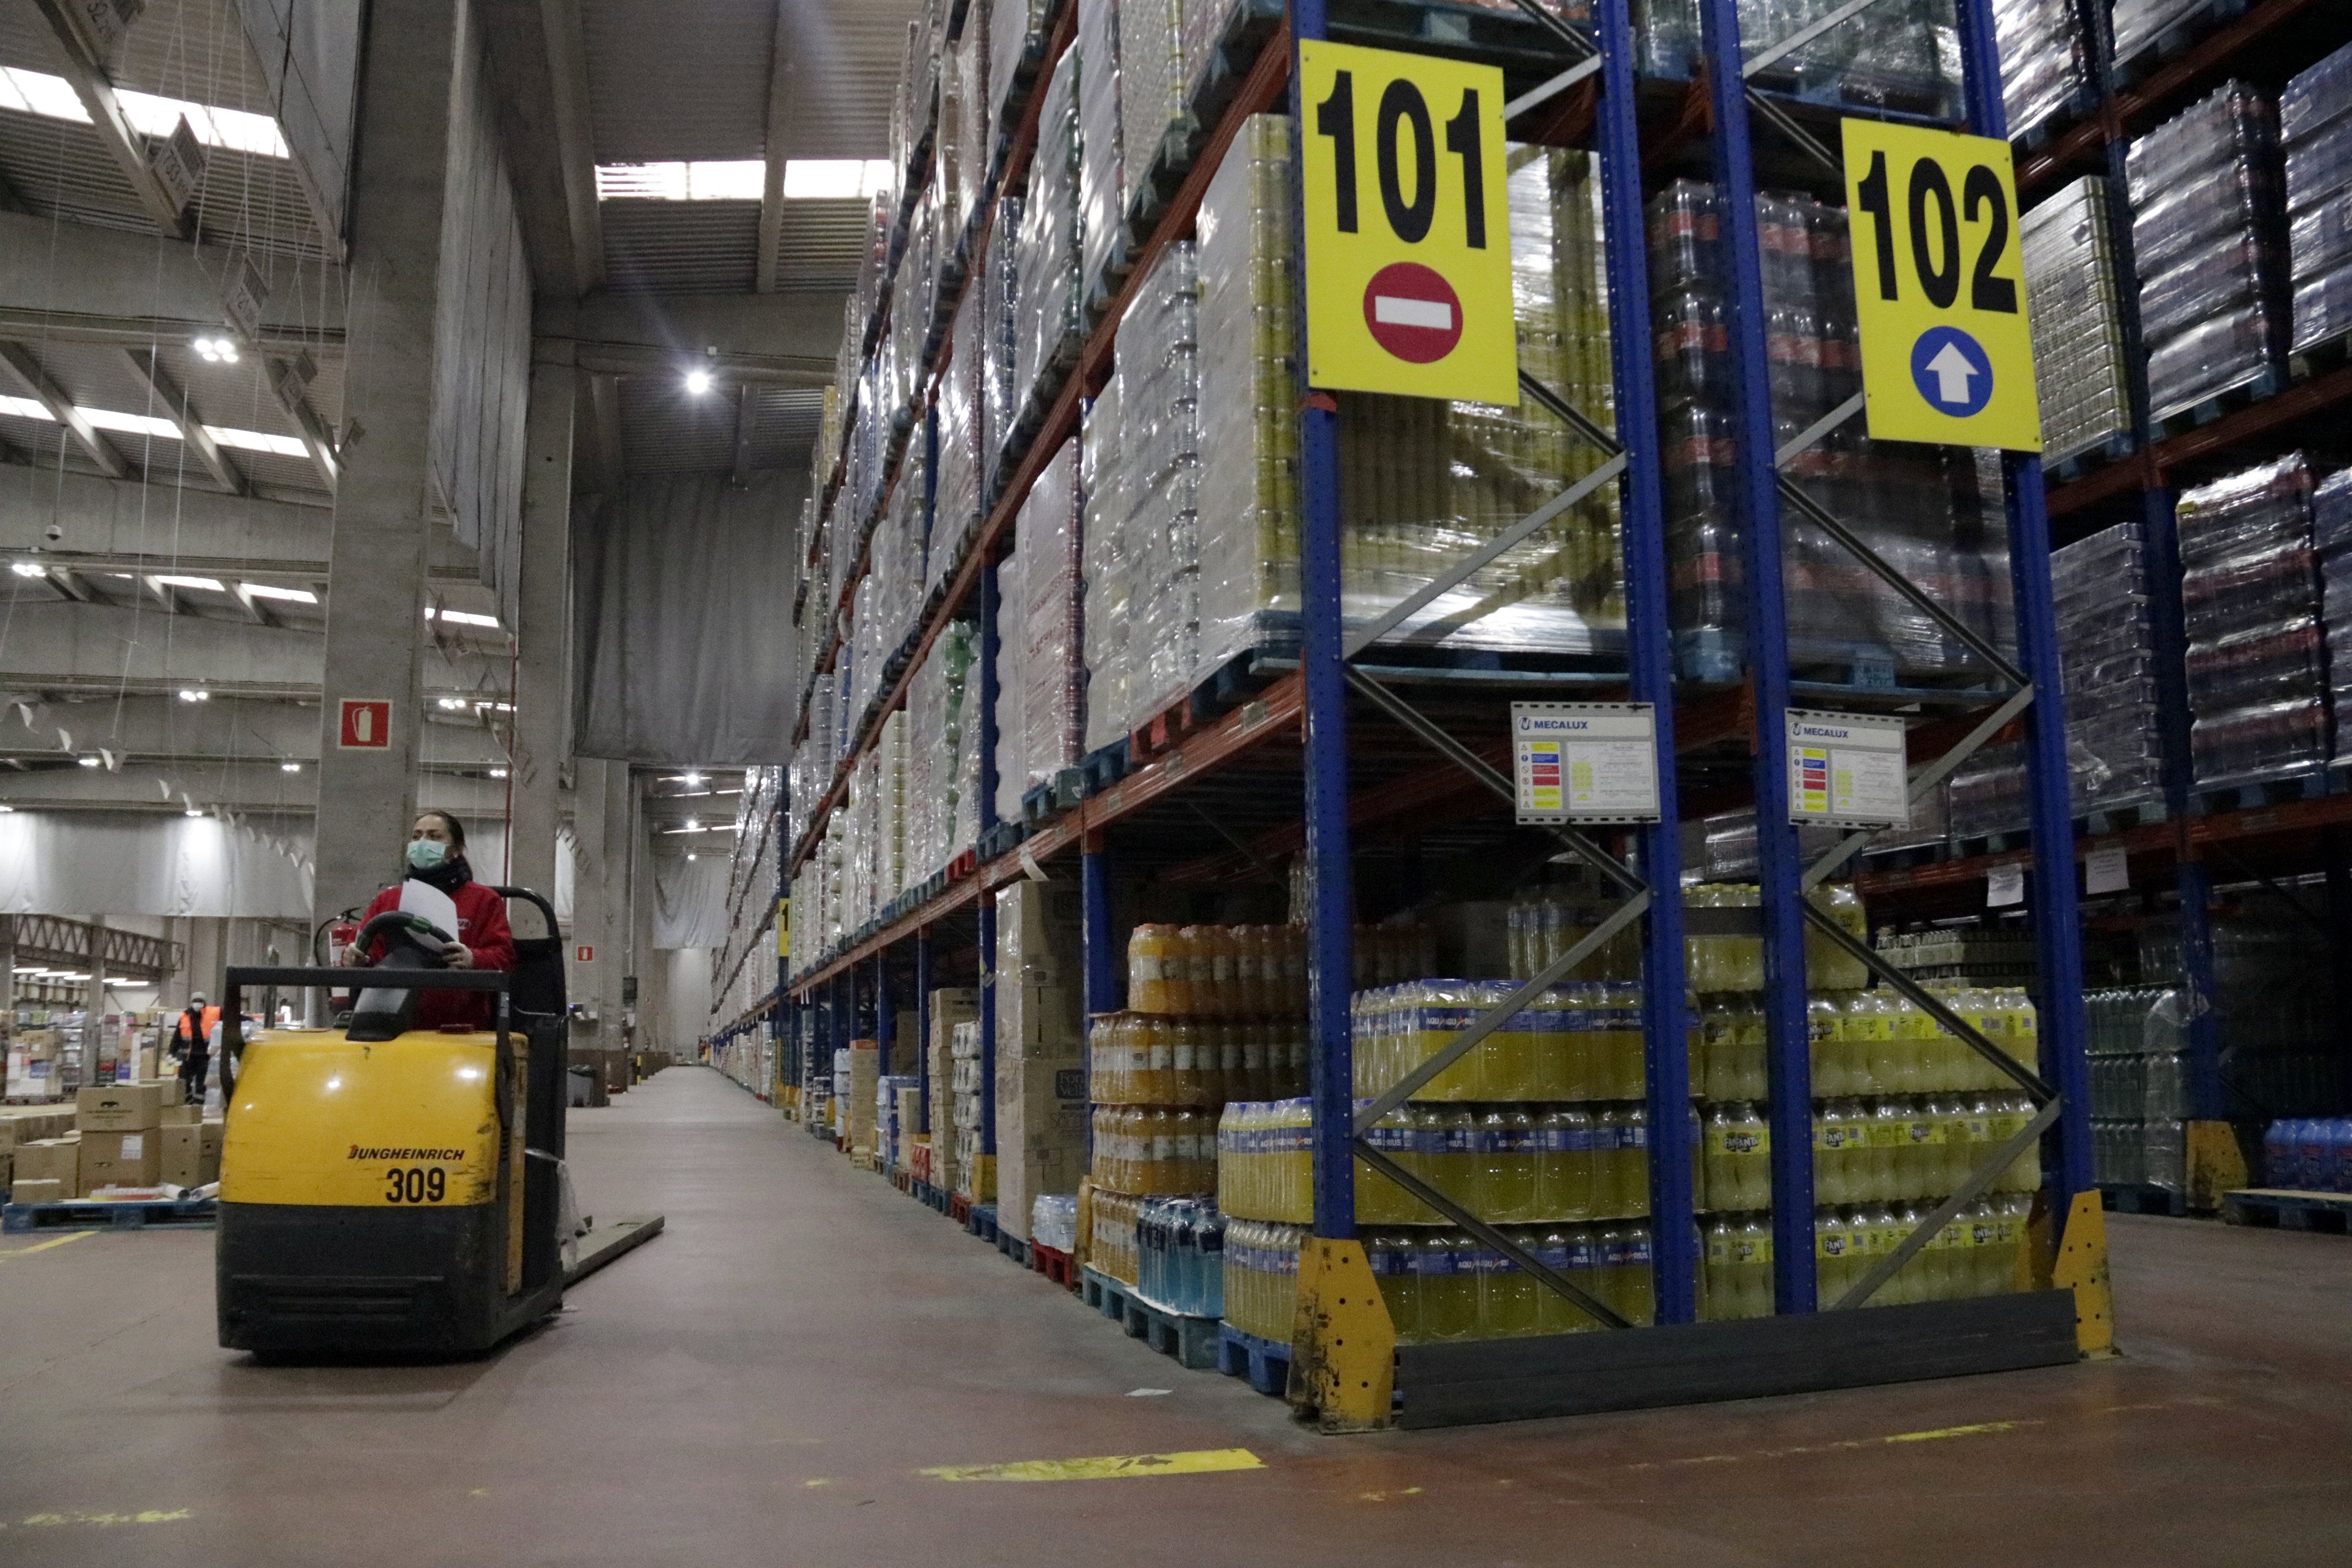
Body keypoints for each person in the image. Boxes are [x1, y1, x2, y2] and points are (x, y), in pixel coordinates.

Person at [340, 810, 516, 1030]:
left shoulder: (483, 900)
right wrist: (354, 956)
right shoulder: (388, 900)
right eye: (417, 837)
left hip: (459, 1027)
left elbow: (504, 958)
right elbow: (363, 948)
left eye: (434, 837)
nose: (423, 843)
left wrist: (473, 959)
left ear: (457, 849)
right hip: (389, 1021)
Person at [171, 992, 220, 1101]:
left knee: (202, 1083)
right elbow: (177, 1036)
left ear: (205, 1003)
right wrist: (171, 1053)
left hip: (205, 1056)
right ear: (192, 1002)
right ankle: (187, 1103)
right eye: (196, 1001)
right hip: (188, 1056)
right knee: (184, 1081)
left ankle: (198, 1106)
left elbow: (231, 1016)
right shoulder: (184, 1016)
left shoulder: (214, 1013)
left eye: (201, 1001)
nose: (198, 1004)